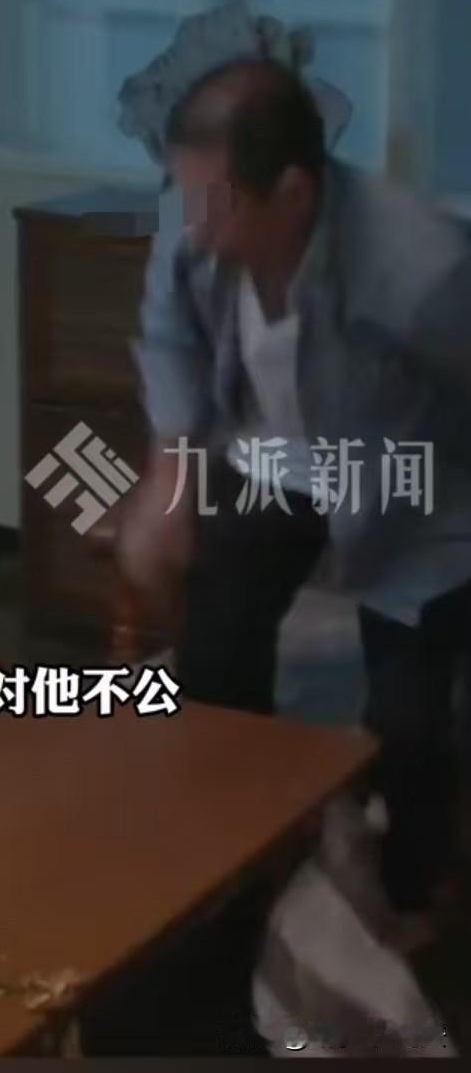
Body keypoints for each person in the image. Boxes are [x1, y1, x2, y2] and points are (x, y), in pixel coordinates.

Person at [119, 56, 471, 923]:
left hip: (409, 483)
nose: (194, 225)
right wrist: (169, 478)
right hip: (268, 459)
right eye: (184, 195)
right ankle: (232, 855)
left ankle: (412, 895)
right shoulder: (192, 213)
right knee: (214, 656)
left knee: (409, 720)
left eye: (219, 204)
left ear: (294, 192)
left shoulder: (417, 265)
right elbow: (170, 336)